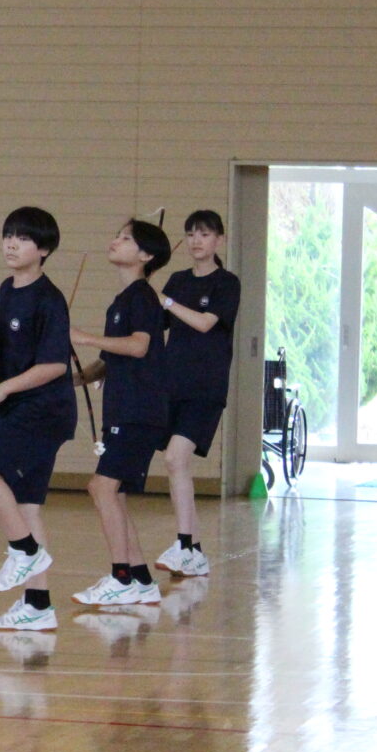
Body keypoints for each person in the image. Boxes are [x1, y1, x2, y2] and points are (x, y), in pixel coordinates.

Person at [0, 209, 76, 635]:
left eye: (23, 239)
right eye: (8, 235)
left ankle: (23, 550)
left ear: (43, 250)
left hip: (45, 411)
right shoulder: (8, 289)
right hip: (22, 411)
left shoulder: (49, 298)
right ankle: (38, 604)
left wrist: (3, 389)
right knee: (27, 506)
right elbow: (8, 344)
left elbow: (53, 365)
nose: (11, 244)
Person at [70, 219, 172, 608]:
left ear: (146, 256)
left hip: (140, 412)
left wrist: (82, 336)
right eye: (116, 235)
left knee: (101, 487)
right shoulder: (121, 302)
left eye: (126, 239)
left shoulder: (143, 297)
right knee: (117, 493)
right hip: (124, 411)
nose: (115, 241)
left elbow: (139, 346)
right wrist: (72, 380)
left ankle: (121, 577)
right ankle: (141, 578)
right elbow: (108, 360)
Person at [156, 211, 238, 579]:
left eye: (204, 234)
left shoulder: (227, 284)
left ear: (219, 239)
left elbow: (205, 323)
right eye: (190, 234)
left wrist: (167, 302)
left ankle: (185, 545)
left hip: (205, 388)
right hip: (173, 385)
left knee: (175, 459)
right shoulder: (176, 280)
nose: (195, 241)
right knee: (177, 465)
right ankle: (194, 551)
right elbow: (154, 329)